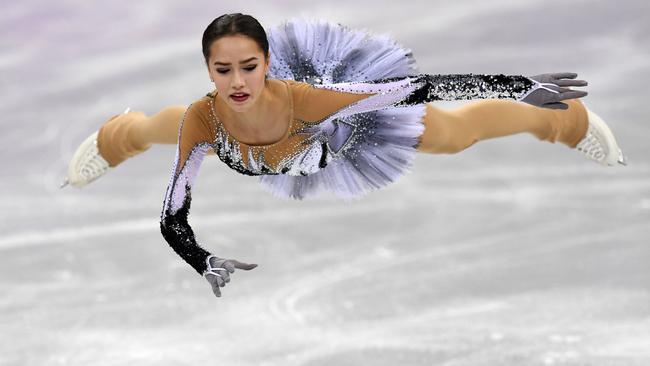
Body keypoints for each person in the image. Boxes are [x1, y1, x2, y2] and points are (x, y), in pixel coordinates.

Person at [60, 14, 627, 298]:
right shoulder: (204, 116)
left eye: (248, 66)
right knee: (164, 126)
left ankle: (560, 121)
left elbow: (415, 89)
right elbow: (172, 214)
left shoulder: (308, 98)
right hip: (251, 143)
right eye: (222, 69)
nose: (236, 80)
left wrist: (514, 84)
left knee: (452, 135)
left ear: (267, 62)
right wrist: (201, 260)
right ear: (209, 69)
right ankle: (118, 136)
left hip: (343, 129)